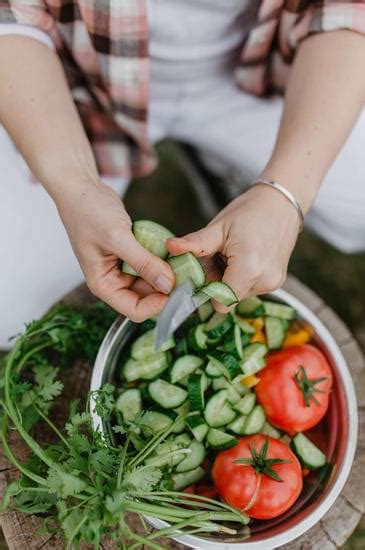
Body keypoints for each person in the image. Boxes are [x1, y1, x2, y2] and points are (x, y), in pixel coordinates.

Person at [0, 1, 364, 349]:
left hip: (250, 72)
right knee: (8, 309)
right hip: (76, 83)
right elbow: (12, 14)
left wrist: (284, 193)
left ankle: (225, 168)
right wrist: (74, 186)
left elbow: (345, 9)